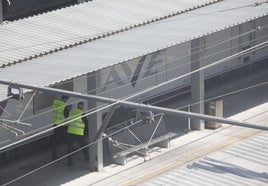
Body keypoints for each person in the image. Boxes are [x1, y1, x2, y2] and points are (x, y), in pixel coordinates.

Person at [66, 101, 89, 166]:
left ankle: (69, 161)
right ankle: (87, 157)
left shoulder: (72, 112)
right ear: (82, 106)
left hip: (70, 131)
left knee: (69, 146)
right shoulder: (81, 113)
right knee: (83, 145)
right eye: (83, 106)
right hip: (78, 132)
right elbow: (86, 122)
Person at [51, 95, 70, 160]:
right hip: (62, 125)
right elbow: (66, 115)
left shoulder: (55, 102)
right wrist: (68, 110)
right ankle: (71, 150)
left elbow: (54, 111)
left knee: (55, 141)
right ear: (65, 99)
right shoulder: (64, 106)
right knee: (68, 138)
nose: (67, 100)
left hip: (55, 124)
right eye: (67, 99)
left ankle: (54, 156)